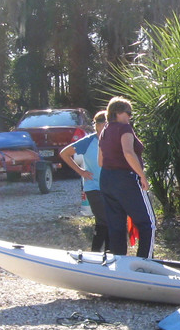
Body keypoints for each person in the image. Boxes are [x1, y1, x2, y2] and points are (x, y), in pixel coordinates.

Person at [97, 96, 156, 257]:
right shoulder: (125, 129)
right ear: (117, 113)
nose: (130, 117)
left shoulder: (104, 131)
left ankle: (119, 263)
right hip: (126, 179)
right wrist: (142, 175)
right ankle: (145, 262)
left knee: (116, 225)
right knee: (148, 224)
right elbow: (128, 153)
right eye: (128, 113)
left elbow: (100, 161)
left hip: (106, 179)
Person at [58, 110, 109, 252]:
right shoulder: (88, 141)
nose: (107, 128)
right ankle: (99, 253)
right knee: (104, 220)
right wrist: (81, 171)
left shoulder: (113, 141)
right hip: (93, 187)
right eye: (104, 124)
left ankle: (106, 254)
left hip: (111, 188)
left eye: (109, 125)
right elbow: (64, 153)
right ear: (97, 126)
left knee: (107, 222)